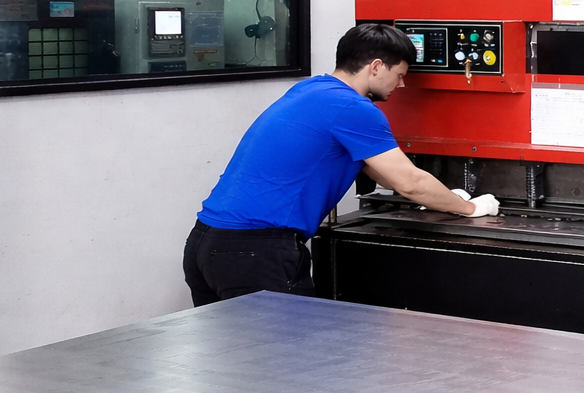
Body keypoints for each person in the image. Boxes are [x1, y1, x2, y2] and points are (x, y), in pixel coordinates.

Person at [184, 23, 501, 307]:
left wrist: (445, 198)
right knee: (288, 353)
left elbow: (385, 175)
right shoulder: (353, 108)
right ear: (376, 67)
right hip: (255, 251)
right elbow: (410, 183)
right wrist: (470, 208)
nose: (401, 85)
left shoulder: (311, 90)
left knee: (232, 354)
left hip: (205, 243)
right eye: (400, 75)